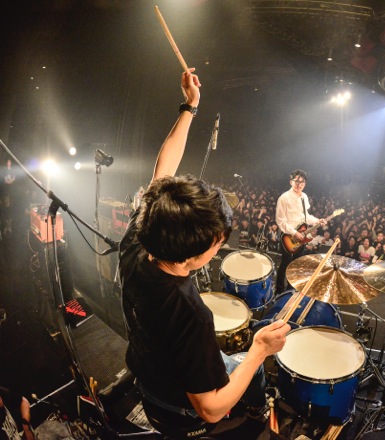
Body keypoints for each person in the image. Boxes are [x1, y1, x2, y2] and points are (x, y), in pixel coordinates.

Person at [118, 68, 290, 432]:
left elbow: (162, 171)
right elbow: (209, 408)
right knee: (248, 364)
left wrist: (190, 107)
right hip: (177, 407)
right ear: (189, 255)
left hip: (146, 371)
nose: (220, 246)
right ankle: (256, 414)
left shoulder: (138, 241)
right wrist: (259, 350)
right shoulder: (190, 314)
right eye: (217, 243)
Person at [274, 169, 326, 294]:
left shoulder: (304, 197)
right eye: (296, 181)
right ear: (291, 182)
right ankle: (279, 291)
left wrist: (317, 221)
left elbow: (305, 216)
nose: (299, 184)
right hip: (288, 236)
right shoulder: (284, 198)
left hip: (301, 235)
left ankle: (290, 290)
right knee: (285, 263)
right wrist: (294, 232)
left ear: (305, 184)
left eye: (302, 182)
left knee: (296, 264)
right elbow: (280, 221)